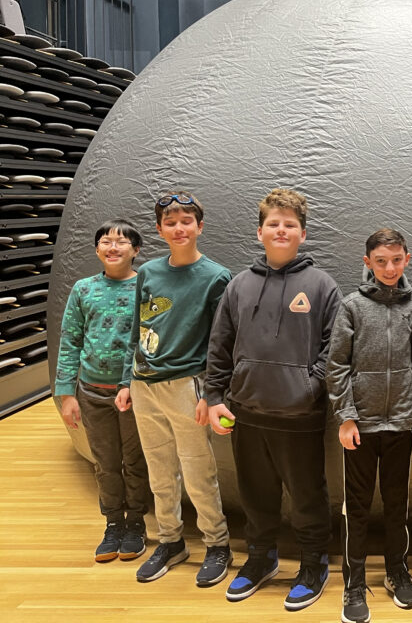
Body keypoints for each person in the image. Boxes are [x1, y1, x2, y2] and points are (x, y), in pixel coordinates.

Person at [205, 189, 341, 609]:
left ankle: (314, 563)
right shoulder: (239, 285)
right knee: (255, 496)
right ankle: (261, 558)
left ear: (303, 232)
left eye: (290, 224)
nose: (281, 230)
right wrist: (214, 395)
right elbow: (220, 343)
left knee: (307, 499)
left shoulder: (322, 286)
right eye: (273, 224)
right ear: (259, 231)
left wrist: (308, 386)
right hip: (247, 412)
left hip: (300, 416)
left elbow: (333, 350)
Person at [115, 190, 233, 586]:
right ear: (159, 229)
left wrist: (213, 395)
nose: (179, 228)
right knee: (160, 471)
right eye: (170, 221)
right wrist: (126, 380)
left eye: (187, 221)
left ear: (200, 226)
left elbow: (221, 343)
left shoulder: (216, 277)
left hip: (188, 386)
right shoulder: (147, 272)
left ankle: (217, 544)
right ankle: (171, 541)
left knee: (199, 471)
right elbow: (138, 327)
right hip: (144, 384)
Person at [327, 228, 412, 623]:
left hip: (402, 424)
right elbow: (336, 364)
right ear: (368, 263)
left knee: (395, 504)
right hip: (360, 427)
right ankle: (354, 583)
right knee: (355, 507)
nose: (389, 268)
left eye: (396, 260)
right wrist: (346, 416)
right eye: (380, 261)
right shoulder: (351, 305)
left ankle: (396, 570)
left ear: (407, 259)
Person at [55, 219, 149, 563]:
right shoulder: (83, 289)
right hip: (91, 392)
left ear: (135, 251)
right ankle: (113, 523)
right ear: (97, 250)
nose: (113, 247)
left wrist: (133, 384)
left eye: (122, 242)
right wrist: (67, 394)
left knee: (135, 461)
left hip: (135, 394)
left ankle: (137, 522)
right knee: (106, 463)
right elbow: (70, 342)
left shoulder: (146, 288)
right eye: (106, 242)